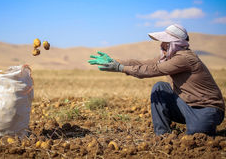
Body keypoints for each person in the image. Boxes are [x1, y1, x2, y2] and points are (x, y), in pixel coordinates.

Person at [88, 24, 225, 136]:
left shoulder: (184, 58)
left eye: (165, 42)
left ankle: (202, 127)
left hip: (207, 109)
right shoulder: (169, 57)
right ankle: (163, 135)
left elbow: (152, 70)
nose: (161, 45)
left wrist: (120, 68)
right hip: (186, 105)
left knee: (197, 137)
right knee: (160, 88)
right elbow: (142, 63)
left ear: (175, 44)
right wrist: (114, 61)